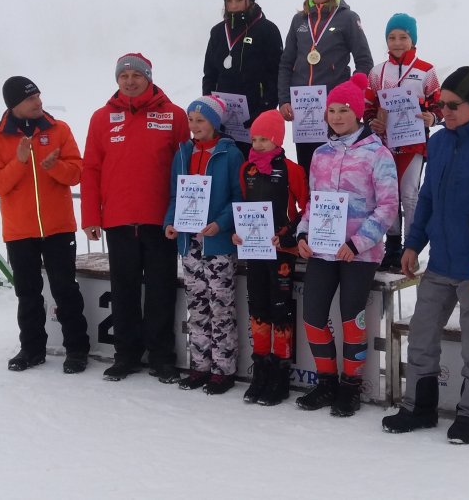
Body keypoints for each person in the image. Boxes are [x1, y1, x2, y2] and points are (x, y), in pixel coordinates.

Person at [381, 66, 469, 444]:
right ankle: (419, 408)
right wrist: (413, 244)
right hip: (440, 264)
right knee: (422, 337)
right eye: (441, 104)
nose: (444, 111)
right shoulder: (441, 142)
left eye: (453, 105)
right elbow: (427, 198)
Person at [81, 53, 189, 383]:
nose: (129, 81)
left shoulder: (174, 115)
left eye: (136, 75)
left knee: (160, 290)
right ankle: (125, 355)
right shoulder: (101, 118)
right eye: (123, 75)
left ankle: (161, 357)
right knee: (123, 290)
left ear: (149, 78)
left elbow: (185, 170)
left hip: (160, 221)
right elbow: (91, 169)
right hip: (118, 219)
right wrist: (90, 215)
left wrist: (182, 216)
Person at [294, 74, 398, 417]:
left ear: (357, 113)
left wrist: (357, 242)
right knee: (312, 316)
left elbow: (388, 207)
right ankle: (325, 383)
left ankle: (350, 388)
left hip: (359, 252)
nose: (336, 117)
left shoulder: (377, 153)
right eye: (332, 111)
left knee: (352, 319)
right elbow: (313, 201)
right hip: (323, 249)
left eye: (343, 110)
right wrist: (303, 234)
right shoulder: (321, 154)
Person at [0, 76, 90, 374]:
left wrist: (53, 166)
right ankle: (31, 349)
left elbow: (76, 173)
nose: (38, 102)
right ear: (14, 104)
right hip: (19, 231)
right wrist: (19, 161)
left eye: (39, 96)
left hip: (58, 228)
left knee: (65, 289)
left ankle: (77, 349)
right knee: (27, 293)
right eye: (31, 99)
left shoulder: (59, 129)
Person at [164, 96, 244, 395]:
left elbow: (239, 196)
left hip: (217, 243)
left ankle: (223, 369)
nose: (195, 126)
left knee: (220, 306)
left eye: (201, 120)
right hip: (189, 243)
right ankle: (200, 365)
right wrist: (170, 222)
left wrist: (221, 224)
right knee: (197, 307)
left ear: (214, 122)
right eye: (191, 120)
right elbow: (175, 195)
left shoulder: (229, 154)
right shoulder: (183, 152)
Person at [233, 109, 308, 406]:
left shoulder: (292, 169)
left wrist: (289, 234)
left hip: (281, 251)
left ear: (277, 139)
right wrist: (237, 233)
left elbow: (306, 208)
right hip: (254, 250)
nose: (259, 144)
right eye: (255, 139)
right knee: (258, 308)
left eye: (265, 139)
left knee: (280, 310)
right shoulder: (246, 169)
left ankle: (280, 374)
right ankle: (261, 369)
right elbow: (242, 206)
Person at [277, 0, 373, 175]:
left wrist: (350, 97)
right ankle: (311, 209)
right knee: (308, 170)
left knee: (335, 171)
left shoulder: (347, 18)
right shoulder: (298, 20)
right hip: (303, 111)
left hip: (335, 110)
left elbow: (364, 62)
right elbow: (286, 63)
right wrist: (283, 99)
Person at [364, 13, 442, 270]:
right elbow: (368, 106)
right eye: (392, 37)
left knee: (409, 196)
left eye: (403, 37)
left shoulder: (425, 70)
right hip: (384, 144)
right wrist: (372, 121)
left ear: (413, 40)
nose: (397, 42)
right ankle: (392, 247)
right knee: (387, 195)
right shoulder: (377, 72)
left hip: (413, 142)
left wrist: (433, 117)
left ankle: (411, 248)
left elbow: (438, 103)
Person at [202, 0, 283, 158]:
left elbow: (276, 74)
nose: (234, 5)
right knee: (225, 166)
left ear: (250, 0)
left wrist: (264, 111)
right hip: (224, 117)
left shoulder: (267, 30)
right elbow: (210, 73)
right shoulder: (217, 32)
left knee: (251, 170)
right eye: (229, 0)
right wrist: (210, 108)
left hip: (254, 116)